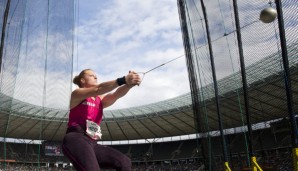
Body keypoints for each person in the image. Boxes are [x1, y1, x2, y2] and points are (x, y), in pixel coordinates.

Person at [62, 69, 141, 171]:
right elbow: (98, 88)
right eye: (91, 75)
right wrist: (123, 80)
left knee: (124, 162)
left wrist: (129, 85)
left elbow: (115, 95)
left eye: (96, 76)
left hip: (92, 142)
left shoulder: (100, 100)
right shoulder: (77, 94)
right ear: (82, 80)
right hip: (76, 138)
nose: (95, 77)